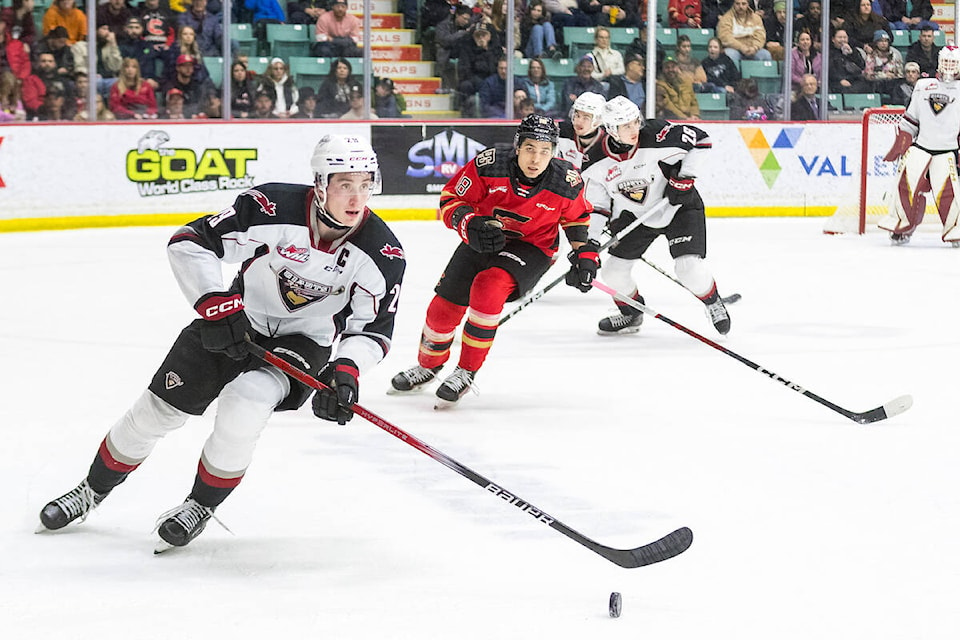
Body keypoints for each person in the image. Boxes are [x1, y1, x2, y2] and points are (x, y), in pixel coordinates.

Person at [38, 135, 405, 551]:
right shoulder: (271, 207)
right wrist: (215, 303)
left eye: (365, 183)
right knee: (155, 413)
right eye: (344, 184)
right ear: (320, 183)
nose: (356, 197)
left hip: (305, 341)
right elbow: (190, 242)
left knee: (245, 403)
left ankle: (199, 505)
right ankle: (91, 489)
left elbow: (372, 330)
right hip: (236, 321)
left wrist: (346, 371)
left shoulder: (383, 252)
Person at [389, 114, 593, 406]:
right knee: (442, 310)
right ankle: (429, 365)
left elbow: (577, 220)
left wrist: (584, 254)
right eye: (530, 149)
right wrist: (470, 225)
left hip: (532, 248)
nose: (536, 159)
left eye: (545, 151)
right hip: (483, 237)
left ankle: (465, 372)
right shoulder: (489, 164)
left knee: (488, 286)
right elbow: (451, 200)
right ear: (518, 146)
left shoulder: (566, 181)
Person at [580, 96, 730, 336]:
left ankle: (713, 302)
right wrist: (590, 244)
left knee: (687, 268)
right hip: (636, 217)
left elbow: (702, 140)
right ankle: (631, 313)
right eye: (625, 126)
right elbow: (597, 207)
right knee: (612, 271)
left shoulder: (657, 134)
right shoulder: (595, 161)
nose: (634, 129)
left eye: (634, 122)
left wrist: (684, 177)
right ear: (610, 129)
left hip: (678, 206)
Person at [879, 46, 960, 246]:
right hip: (921, 146)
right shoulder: (923, 85)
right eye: (946, 61)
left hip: (947, 151)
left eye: (954, 62)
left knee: (949, 194)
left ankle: (955, 230)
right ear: (940, 62)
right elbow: (910, 120)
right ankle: (902, 226)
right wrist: (902, 141)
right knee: (904, 186)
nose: (949, 66)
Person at [556, 90, 606, 171]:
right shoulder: (563, 131)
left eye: (586, 118)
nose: (578, 121)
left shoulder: (607, 144)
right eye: (577, 115)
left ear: (598, 120)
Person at [828, 28, 870, 93]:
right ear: (833, 39)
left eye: (845, 37)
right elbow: (830, 70)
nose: (842, 40)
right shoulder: (829, 52)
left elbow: (862, 66)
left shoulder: (853, 51)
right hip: (837, 81)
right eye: (840, 37)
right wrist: (840, 80)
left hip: (854, 79)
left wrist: (851, 54)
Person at [863, 29, 904, 94]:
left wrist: (893, 76)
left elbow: (900, 74)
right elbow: (868, 75)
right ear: (876, 43)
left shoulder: (894, 56)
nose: (884, 43)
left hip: (893, 83)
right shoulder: (871, 57)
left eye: (885, 41)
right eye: (881, 41)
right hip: (878, 84)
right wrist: (884, 75)